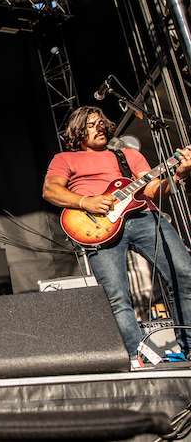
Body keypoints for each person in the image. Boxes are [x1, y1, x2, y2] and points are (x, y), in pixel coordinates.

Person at [43, 106, 191, 364]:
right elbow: (51, 191)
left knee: (185, 273)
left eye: (101, 122)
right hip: (97, 227)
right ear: (78, 130)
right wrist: (85, 201)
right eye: (91, 124)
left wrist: (179, 174)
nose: (99, 127)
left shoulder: (127, 155)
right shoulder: (64, 159)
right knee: (117, 295)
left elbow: (153, 188)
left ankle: (189, 346)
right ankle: (138, 356)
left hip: (143, 216)